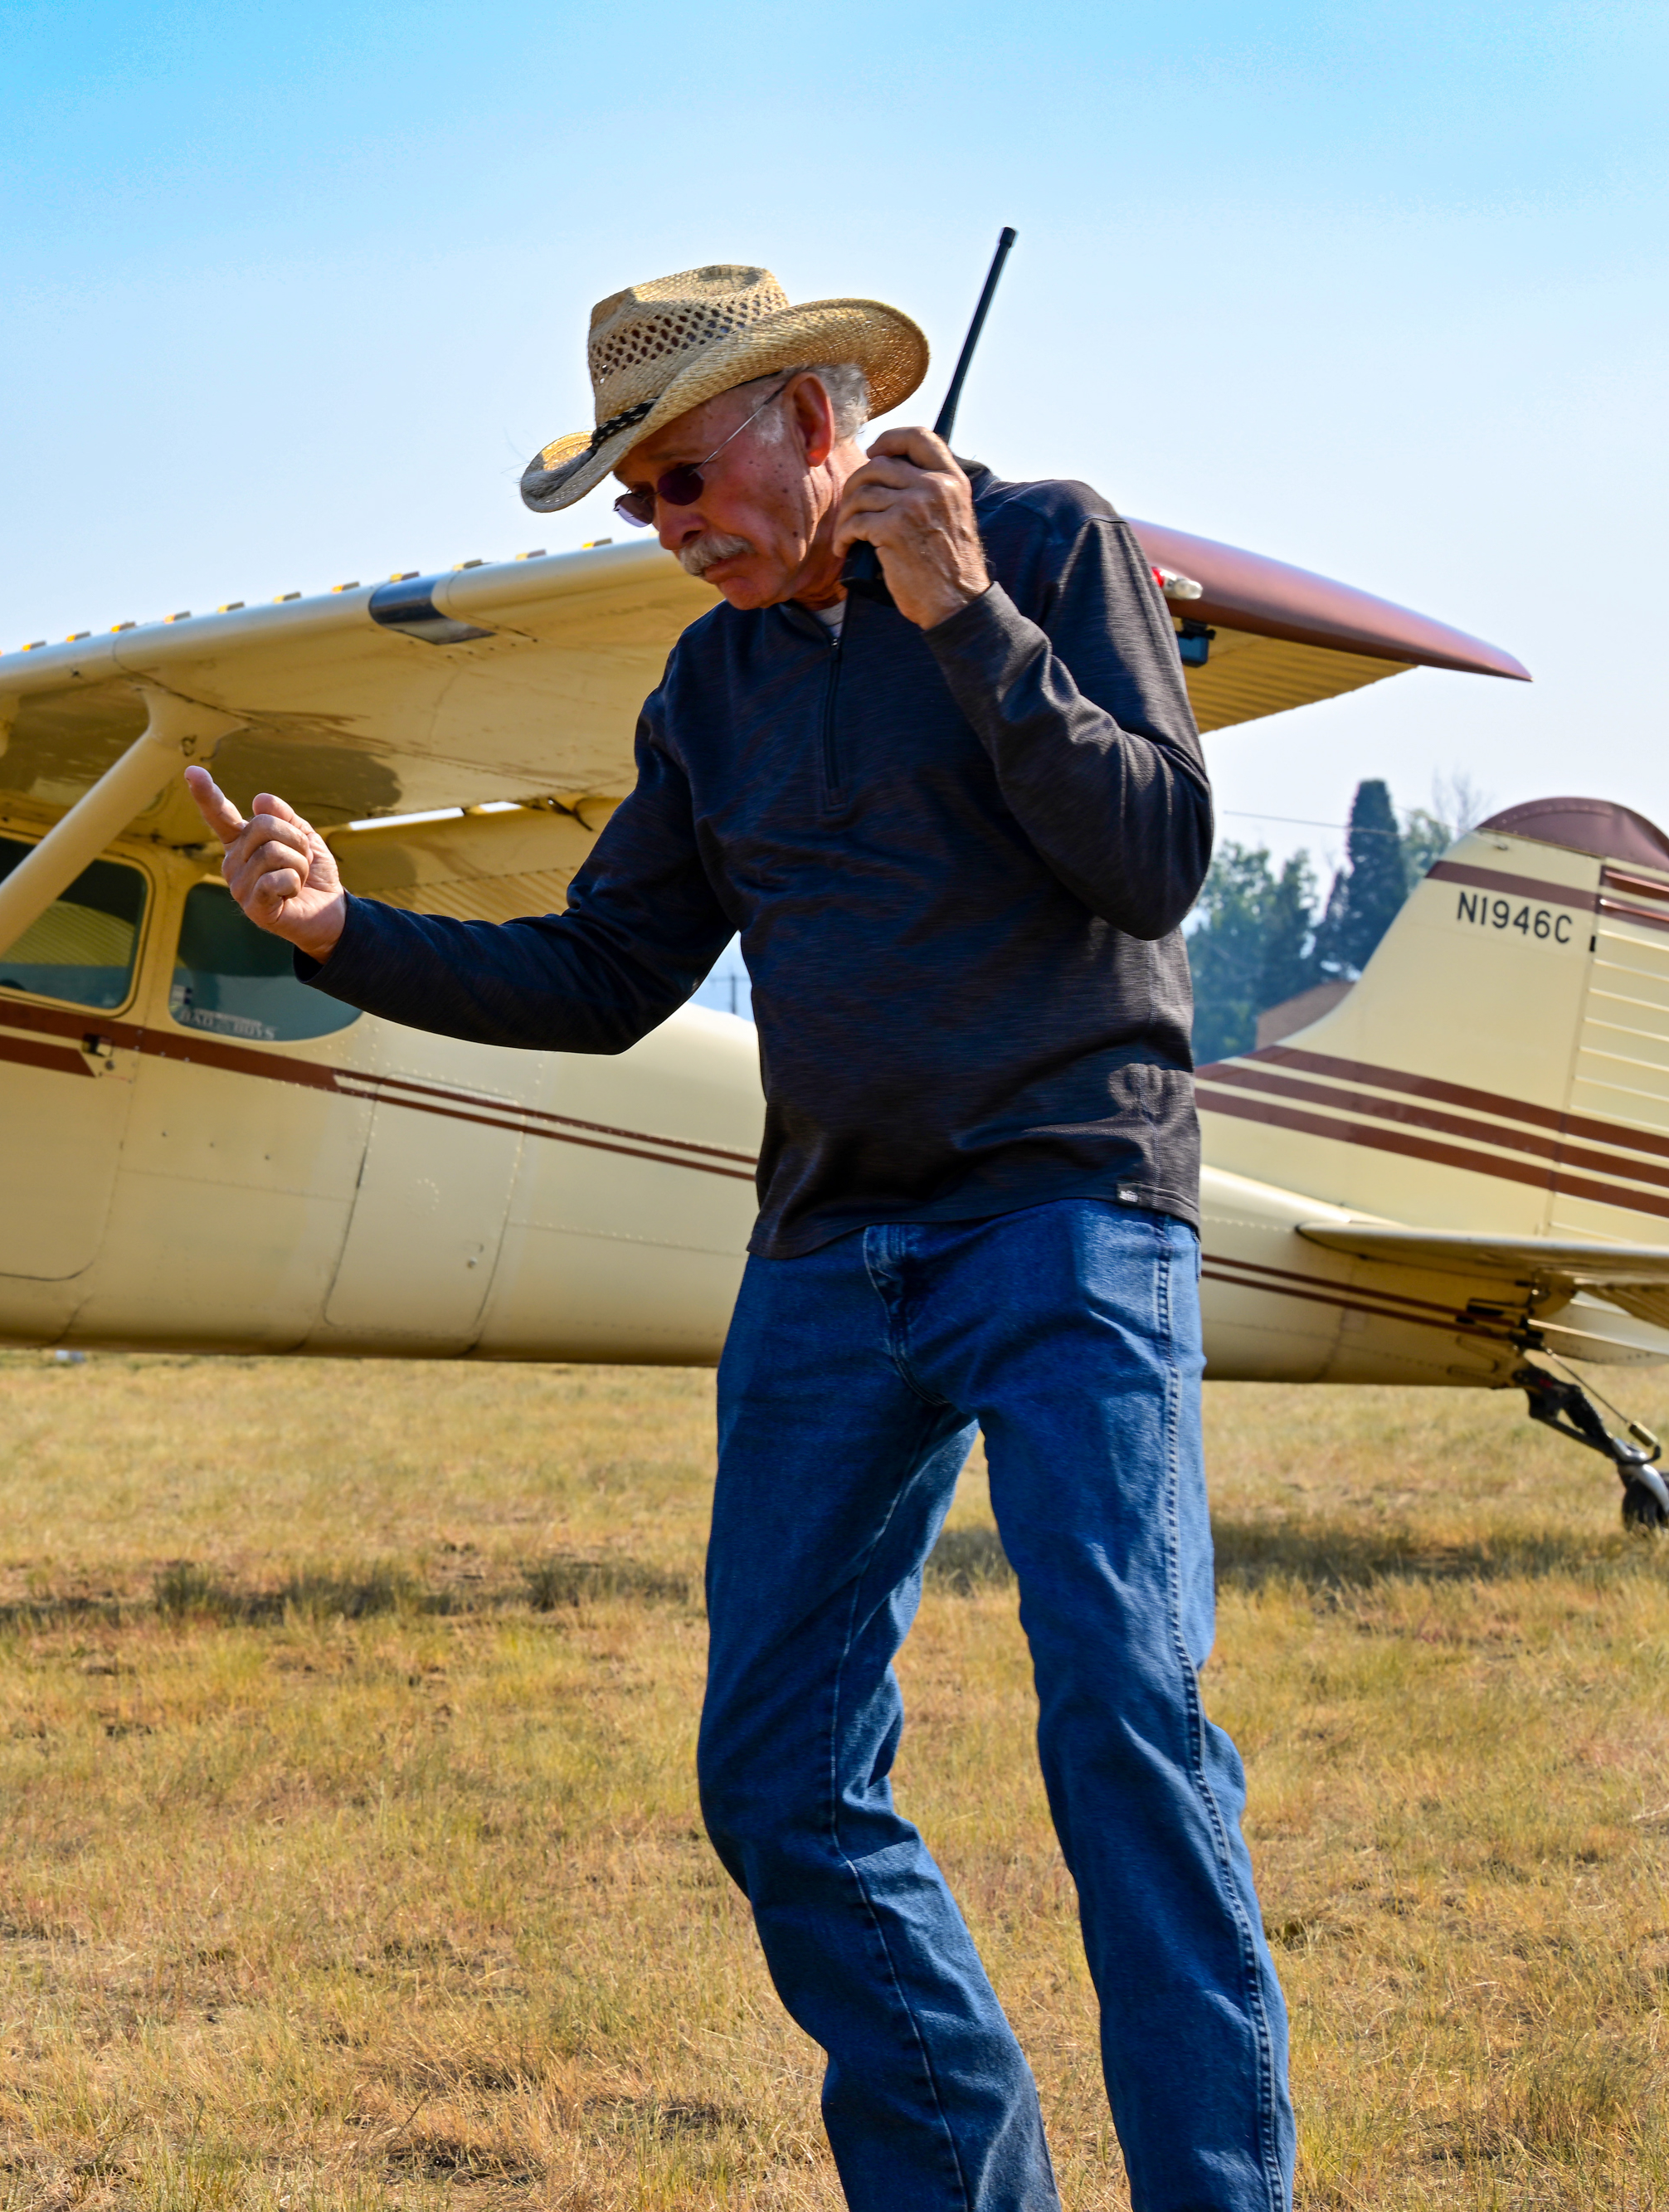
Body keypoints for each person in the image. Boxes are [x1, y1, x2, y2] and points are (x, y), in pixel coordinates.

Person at [187, 264, 1291, 2211]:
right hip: (827, 1259)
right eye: (639, 505)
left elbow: (1151, 857)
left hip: (1065, 1210)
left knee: (1122, 1706)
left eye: (687, 480)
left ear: (807, 417)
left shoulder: (1042, 544)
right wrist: (331, 932)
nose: (671, 531)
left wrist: (965, 621)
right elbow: (607, 971)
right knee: (774, 1775)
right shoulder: (704, 689)